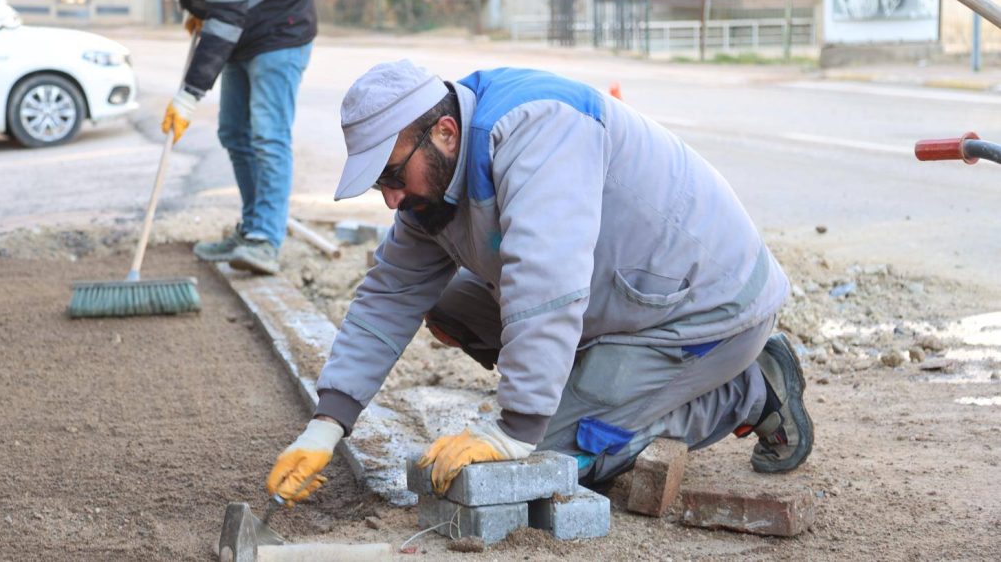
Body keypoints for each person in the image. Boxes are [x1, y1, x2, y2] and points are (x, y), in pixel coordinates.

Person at [267, 61, 814, 503]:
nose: (389, 198)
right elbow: (388, 296)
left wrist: (515, 430)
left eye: (391, 174)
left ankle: (749, 389)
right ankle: (594, 387)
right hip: (618, 295)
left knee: (552, 458)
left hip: (706, 309)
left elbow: (545, 284)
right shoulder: (431, 184)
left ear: (445, 132)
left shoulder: (538, 128)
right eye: (377, 184)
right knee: (449, 304)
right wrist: (328, 423)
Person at [120, 0, 316, 275]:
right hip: (241, 27)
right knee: (232, 132)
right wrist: (196, 10)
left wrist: (188, 95)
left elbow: (227, 18)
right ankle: (251, 228)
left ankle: (265, 241)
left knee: (268, 135)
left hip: (280, 28)